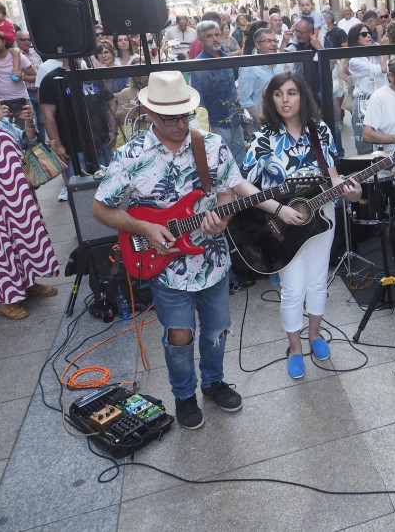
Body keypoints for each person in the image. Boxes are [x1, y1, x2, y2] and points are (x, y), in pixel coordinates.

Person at [92, 71, 282, 429]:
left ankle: (213, 383)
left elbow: (228, 189)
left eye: (186, 116)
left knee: (217, 330)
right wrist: (143, 227)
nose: (181, 124)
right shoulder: (130, 156)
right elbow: (101, 209)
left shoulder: (209, 144)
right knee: (180, 335)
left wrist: (222, 221)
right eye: (171, 119)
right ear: (150, 113)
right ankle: (184, 395)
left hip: (212, 261)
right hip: (166, 266)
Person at [242, 72, 361, 378]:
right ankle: (295, 349)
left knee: (318, 282)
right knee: (293, 289)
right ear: (271, 99)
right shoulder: (264, 137)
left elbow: (333, 177)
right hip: (280, 223)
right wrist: (279, 209)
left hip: (321, 217)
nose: (285, 99)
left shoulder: (318, 131)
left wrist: (352, 191)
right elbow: (242, 186)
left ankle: (316, 335)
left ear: (302, 97)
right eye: (279, 94)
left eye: (292, 93)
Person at [0, 100, 59, 320]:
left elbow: (27, 141)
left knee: (24, 235)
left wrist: (29, 122)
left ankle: (27, 283)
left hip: (17, 189)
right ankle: (5, 301)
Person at [190, 20, 246, 170]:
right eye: (209, 36)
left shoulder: (225, 57)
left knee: (241, 162)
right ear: (201, 40)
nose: (215, 39)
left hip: (234, 120)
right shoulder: (198, 65)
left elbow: (231, 88)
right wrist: (209, 128)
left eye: (217, 35)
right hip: (216, 124)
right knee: (223, 166)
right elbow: (198, 101)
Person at [346, 22, 387, 154]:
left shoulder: (376, 53)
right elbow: (382, 69)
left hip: (382, 101)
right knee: (365, 146)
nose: (369, 36)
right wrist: (383, 49)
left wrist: (380, 50)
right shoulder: (354, 61)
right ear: (356, 39)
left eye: (370, 33)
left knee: (384, 140)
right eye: (364, 34)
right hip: (364, 102)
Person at [237, 27, 282, 123]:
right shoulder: (249, 67)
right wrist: (260, 118)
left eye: (275, 41)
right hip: (263, 120)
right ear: (257, 44)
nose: (273, 44)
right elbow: (244, 99)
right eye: (268, 41)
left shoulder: (281, 61)